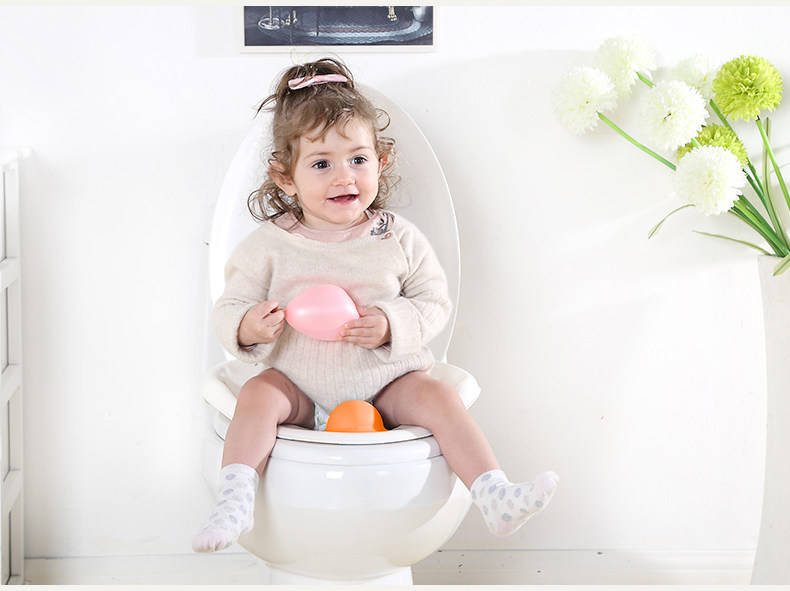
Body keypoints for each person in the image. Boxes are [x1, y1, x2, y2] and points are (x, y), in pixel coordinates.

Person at [192, 57, 558, 553]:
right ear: (285, 177)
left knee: (439, 398)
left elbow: (434, 301)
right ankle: (235, 501)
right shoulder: (269, 245)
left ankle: (494, 494)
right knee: (257, 395)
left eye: (358, 160)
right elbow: (229, 305)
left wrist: (391, 324)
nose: (344, 176)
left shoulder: (397, 237)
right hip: (298, 389)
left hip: (386, 384)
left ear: (381, 163)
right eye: (321, 164)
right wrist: (248, 325)